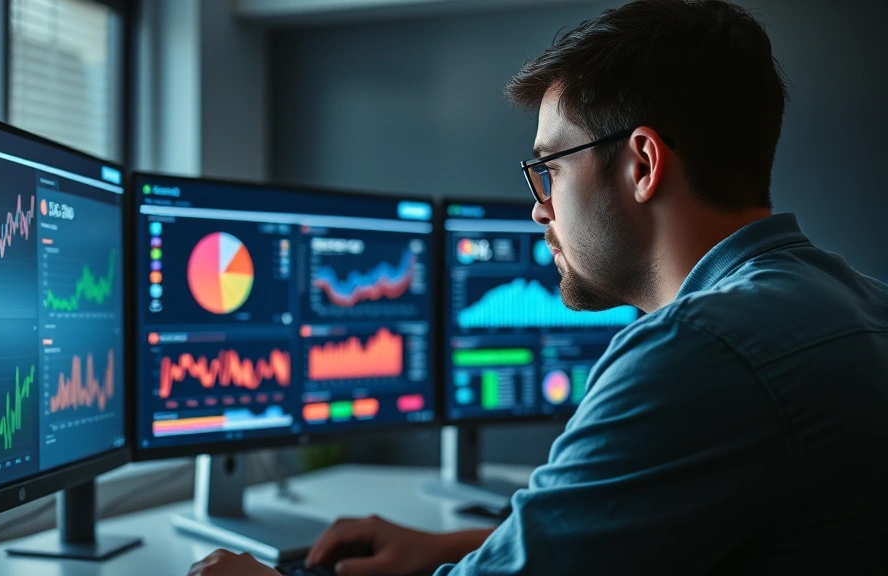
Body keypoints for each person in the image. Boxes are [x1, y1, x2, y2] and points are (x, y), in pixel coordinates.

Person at [188, 0, 888, 574]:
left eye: (550, 166)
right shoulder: (854, 303)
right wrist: (457, 546)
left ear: (642, 163)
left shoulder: (698, 352)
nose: (538, 206)